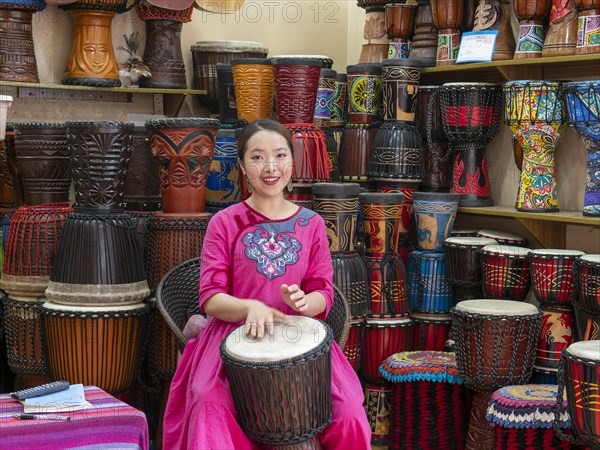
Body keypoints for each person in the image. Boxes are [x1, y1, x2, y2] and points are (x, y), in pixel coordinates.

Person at [163, 119, 371, 449]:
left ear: (292, 161)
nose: (270, 167)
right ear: (243, 167)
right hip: (232, 337)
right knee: (207, 403)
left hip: (298, 337)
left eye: (280, 155)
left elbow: (324, 292)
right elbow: (210, 298)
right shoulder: (225, 222)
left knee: (348, 414)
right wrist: (250, 307)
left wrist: (306, 303)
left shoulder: (312, 223)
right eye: (258, 157)